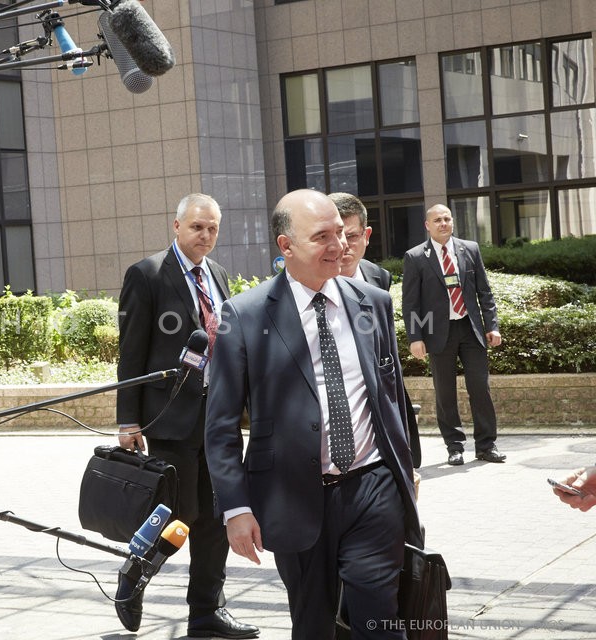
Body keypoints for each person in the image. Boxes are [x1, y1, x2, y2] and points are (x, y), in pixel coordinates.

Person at [205, 189, 422, 640]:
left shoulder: (373, 302)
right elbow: (221, 425)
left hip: (373, 485)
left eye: (341, 233)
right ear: (286, 246)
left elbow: (391, 394)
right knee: (313, 624)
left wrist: (408, 468)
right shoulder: (244, 316)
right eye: (322, 236)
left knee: (380, 619)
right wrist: (236, 508)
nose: (338, 246)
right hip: (293, 496)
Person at [116, 193, 258, 639]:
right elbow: (131, 352)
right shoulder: (147, 274)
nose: (206, 235)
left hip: (220, 417)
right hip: (171, 416)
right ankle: (135, 571)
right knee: (176, 513)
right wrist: (128, 419)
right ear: (176, 226)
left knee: (216, 517)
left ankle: (206, 612)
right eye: (197, 226)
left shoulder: (218, 274)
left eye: (213, 228)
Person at [401, 204, 506, 466]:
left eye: (447, 219)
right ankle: (454, 446)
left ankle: (486, 446)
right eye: (437, 220)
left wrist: (492, 325)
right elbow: (411, 303)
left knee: (480, 388)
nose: (443, 223)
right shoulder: (415, 256)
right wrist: (415, 337)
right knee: (445, 392)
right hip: (438, 333)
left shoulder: (470, 249)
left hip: (470, 329)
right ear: (427, 225)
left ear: (453, 222)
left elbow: (485, 292)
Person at [329, 192, 421, 470]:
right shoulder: (309, 283)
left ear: (367, 235)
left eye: (352, 236)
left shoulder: (378, 277)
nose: (344, 245)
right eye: (336, 235)